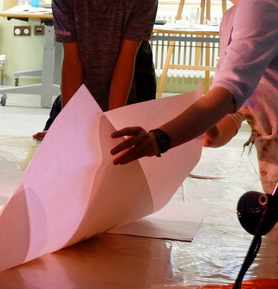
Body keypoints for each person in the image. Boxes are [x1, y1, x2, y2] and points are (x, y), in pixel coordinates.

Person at [111, 0, 278, 166]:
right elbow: (236, 110)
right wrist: (214, 134)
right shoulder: (231, 17)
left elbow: (227, 94)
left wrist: (160, 139)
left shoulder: (259, 8)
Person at [33, 0, 158, 141]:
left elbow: (125, 63)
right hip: (81, 93)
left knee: (122, 152)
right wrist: (66, 123)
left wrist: (113, 128)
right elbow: (72, 62)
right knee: (62, 147)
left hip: (130, 94)